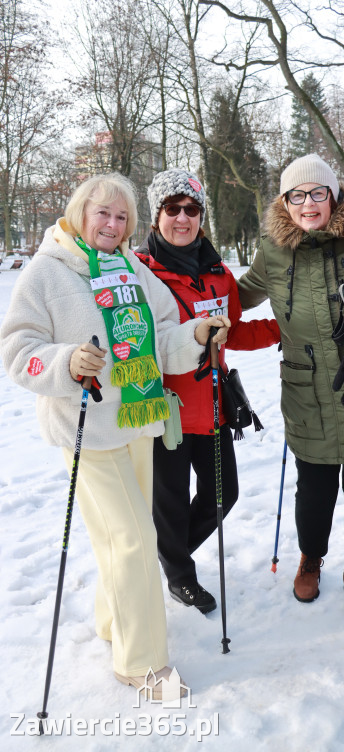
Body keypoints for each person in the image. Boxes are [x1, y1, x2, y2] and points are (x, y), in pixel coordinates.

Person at [0, 173, 230, 697]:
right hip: (87, 428)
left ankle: (113, 622)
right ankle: (142, 663)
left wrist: (194, 334)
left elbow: (164, 332)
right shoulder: (47, 271)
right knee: (133, 540)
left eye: (122, 216)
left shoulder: (129, 267)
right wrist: (66, 361)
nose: (112, 224)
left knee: (119, 540)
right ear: (80, 213)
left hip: (140, 419)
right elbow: (16, 349)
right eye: (103, 213)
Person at [135, 168, 280, 614]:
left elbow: (233, 333)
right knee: (171, 500)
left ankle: (169, 555)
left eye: (192, 209)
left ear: (202, 216)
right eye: (172, 209)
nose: (182, 218)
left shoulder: (217, 273)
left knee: (224, 495)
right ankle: (180, 575)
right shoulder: (139, 272)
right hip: (166, 410)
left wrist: (285, 331)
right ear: (156, 215)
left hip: (214, 405)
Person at [236, 153, 344, 614]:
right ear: (285, 201)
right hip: (305, 388)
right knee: (314, 486)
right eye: (297, 195)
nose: (309, 203)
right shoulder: (274, 250)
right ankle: (310, 559)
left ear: (333, 197)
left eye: (319, 193)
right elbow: (238, 295)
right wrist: (193, 308)